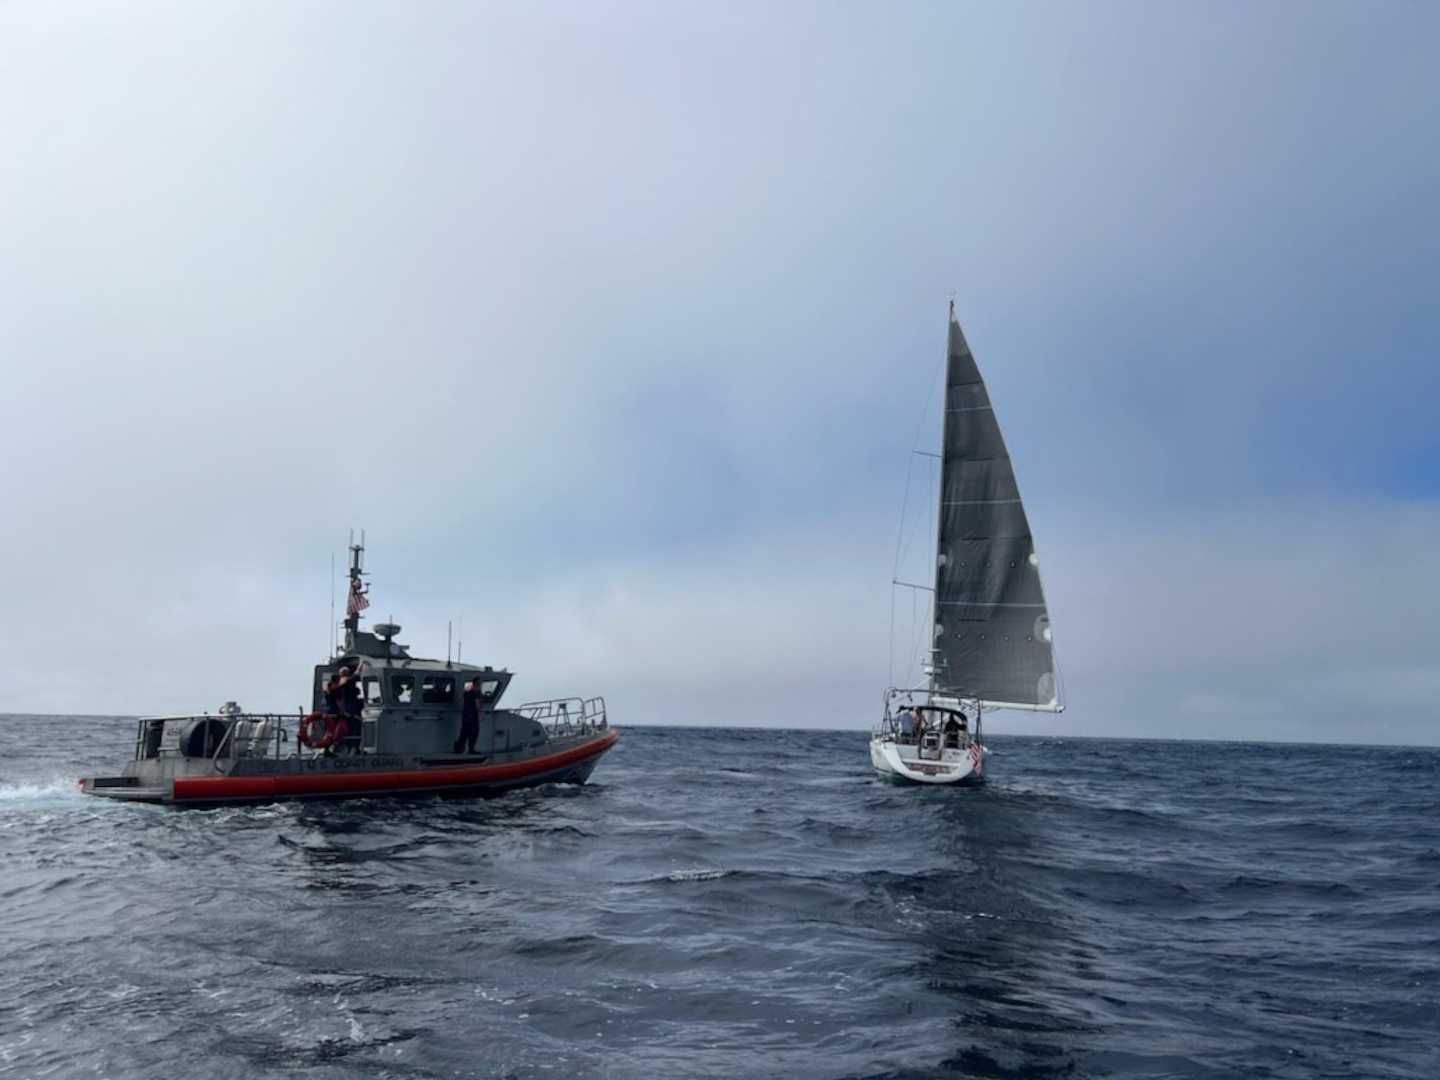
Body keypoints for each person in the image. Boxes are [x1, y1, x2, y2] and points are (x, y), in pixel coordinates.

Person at [455, 678, 483, 754]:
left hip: (465, 714)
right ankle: (471, 749)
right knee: (473, 732)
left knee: (464, 732)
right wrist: (480, 711)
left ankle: (459, 747)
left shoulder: (467, 691)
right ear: (477, 682)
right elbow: (477, 704)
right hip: (472, 714)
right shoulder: (477, 692)